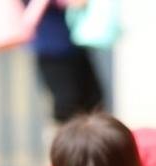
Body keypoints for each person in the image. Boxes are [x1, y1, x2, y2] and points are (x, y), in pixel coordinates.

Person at [30, 0, 103, 128]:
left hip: (75, 46)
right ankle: (64, 144)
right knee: (67, 105)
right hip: (53, 50)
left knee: (93, 101)